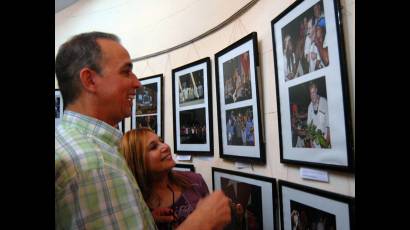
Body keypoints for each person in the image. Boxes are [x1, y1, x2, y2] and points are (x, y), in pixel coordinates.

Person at [55, 31, 231, 229]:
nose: (137, 83)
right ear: (90, 80)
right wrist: (201, 222)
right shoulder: (96, 162)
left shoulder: (72, 142)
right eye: (125, 71)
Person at [119, 128, 211, 229]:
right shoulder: (133, 204)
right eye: (153, 147)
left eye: (161, 141)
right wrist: (149, 221)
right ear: (137, 161)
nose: (166, 146)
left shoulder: (195, 181)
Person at [306, 82, 330, 148]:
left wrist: (328, 138)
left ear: (316, 90)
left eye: (313, 92)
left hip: (325, 138)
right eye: (310, 93)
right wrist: (311, 142)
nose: (312, 95)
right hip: (315, 142)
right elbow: (309, 126)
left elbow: (328, 122)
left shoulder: (324, 102)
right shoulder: (309, 107)